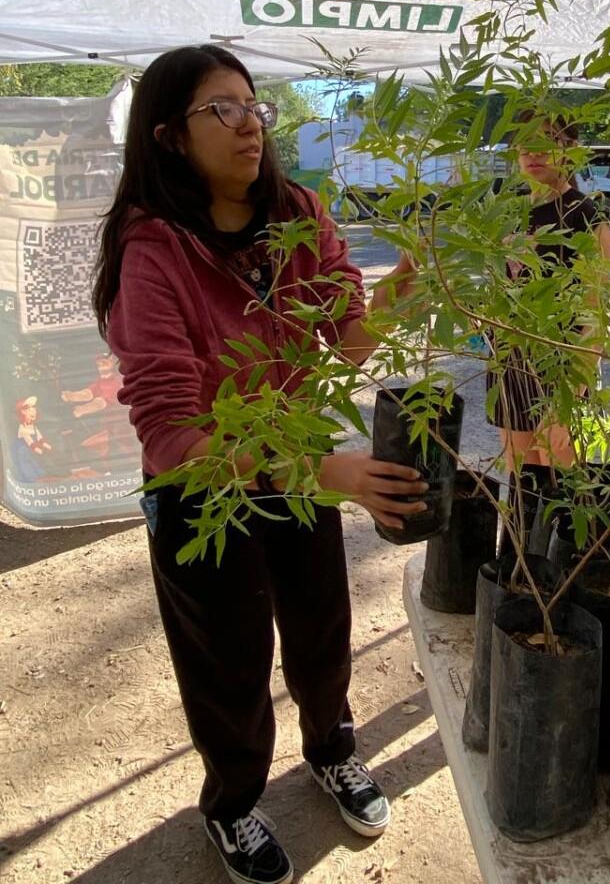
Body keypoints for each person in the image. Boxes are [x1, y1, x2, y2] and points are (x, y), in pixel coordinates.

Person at [92, 45, 421, 884]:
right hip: (206, 488)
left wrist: (407, 290)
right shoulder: (153, 254)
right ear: (168, 136)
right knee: (227, 660)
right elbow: (172, 436)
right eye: (222, 110)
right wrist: (327, 473)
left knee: (321, 632)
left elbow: (346, 341)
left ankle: (331, 749)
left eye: (253, 106)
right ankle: (234, 804)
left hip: (295, 469)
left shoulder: (297, 212)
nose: (250, 125)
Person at [486, 112, 610, 471]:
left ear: (570, 149)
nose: (534, 153)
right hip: (510, 365)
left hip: (561, 370)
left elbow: (598, 311)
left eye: (547, 142)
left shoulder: (585, 216)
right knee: (523, 491)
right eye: (524, 144)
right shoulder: (509, 213)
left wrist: (569, 397)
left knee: (561, 489)